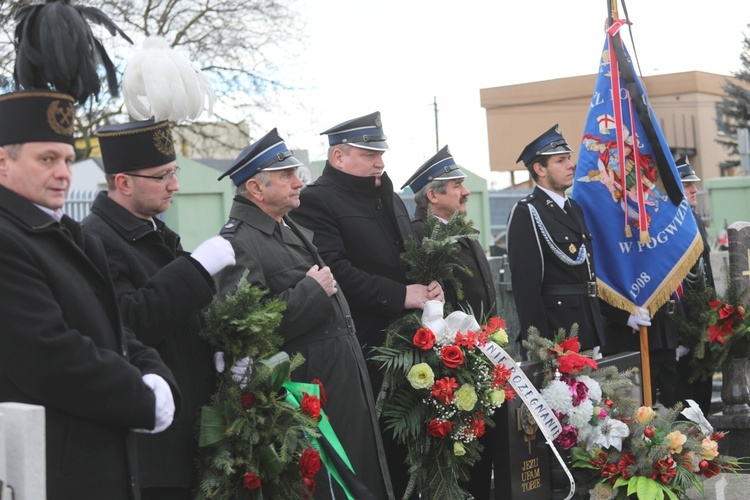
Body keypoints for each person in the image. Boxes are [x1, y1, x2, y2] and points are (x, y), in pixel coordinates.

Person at [0, 90, 179, 500]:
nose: (64, 172)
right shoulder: (7, 239)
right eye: (47, 159)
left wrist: (156, 375)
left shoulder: (74, 236)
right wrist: (142, 398)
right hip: (52, 475)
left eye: (66, 158)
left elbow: (115, 330)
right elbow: (49, 355)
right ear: (3, 161)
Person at [213, 129, 394, 500]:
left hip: (339, 382)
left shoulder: (286, 226)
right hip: (308, 393)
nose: (299, 182)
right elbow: (249, 332)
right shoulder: (237, 242)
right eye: (287, 176)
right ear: (256, 188)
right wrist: (310, 292)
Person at [81, 119, 235, 499]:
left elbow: (182, 320)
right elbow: (130, 322)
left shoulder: (153, 232)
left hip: (189, 437)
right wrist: (196, 269)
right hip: (154, 454)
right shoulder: (95, 240)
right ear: (123, 183)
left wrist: (219, 348)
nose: (175, 185)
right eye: (162, 175)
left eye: (174, 171)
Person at [291, 112, 442, 497]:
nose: (381, 161)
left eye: (381, 152)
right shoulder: (316, 199)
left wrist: (428, 285)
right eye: (369, 153)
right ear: (338, 157)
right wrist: (399, 294)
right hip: (365, 347)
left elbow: (408, 256)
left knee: (419, 449)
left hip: (411, 345)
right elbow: (333, 270)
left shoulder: (388, 197)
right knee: (379, 453)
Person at [403, 145, 498, 500]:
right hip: (450, 372)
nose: (467, 191)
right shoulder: (421, 235)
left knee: (481, 462)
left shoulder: (459, 229)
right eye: (457, 184)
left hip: (481, 360)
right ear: (432, 195)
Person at [506, 124, 605, 350]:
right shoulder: (527, 212)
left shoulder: (574, 208)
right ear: (540, 169)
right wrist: (540, 346)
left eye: (568, 158)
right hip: (557, 334)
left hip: (588, 326)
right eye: (560, 161)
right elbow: (526, 288)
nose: (571, 165)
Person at [674, 156, 715, 414]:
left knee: (704, 397)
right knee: (683, 401)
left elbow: (705, 271)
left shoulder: (695, 219)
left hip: (702, 321)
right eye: (686, 184)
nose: (694, 189)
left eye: (694, 183)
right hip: (681, 321)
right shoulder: (667, 223)